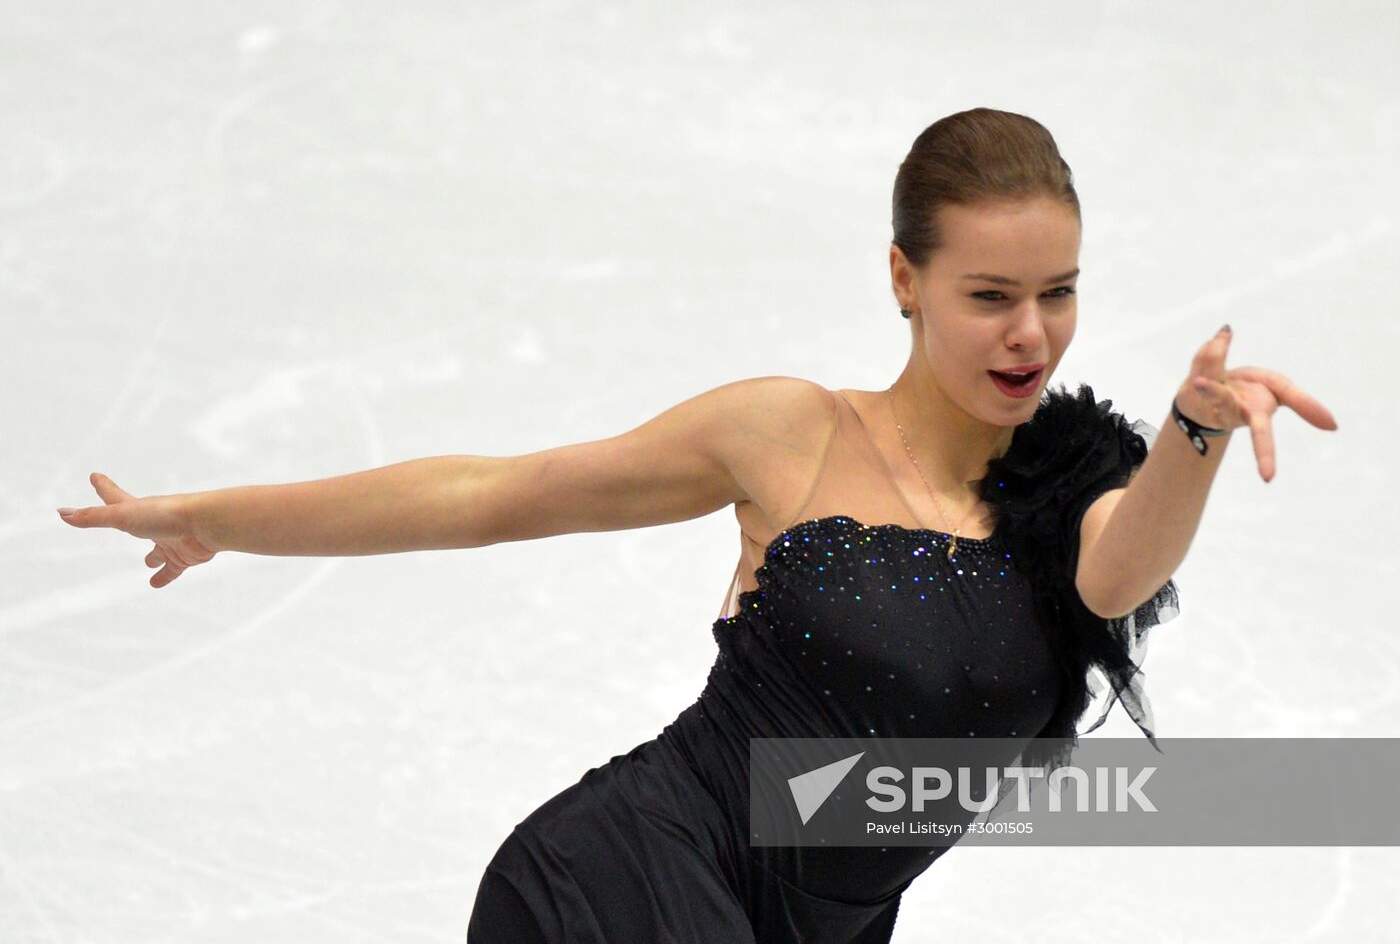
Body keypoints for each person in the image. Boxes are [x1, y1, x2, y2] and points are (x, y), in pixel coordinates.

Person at [56, 107, 1338, 943]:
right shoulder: (788, 434)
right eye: (988, 295)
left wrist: (1193, 433)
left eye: (1056, 293)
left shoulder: (1073, 481)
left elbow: (1115, 576)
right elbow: (495, 492)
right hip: (621, 886)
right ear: (904, 279)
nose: (1028, 335)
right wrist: (217, 516)